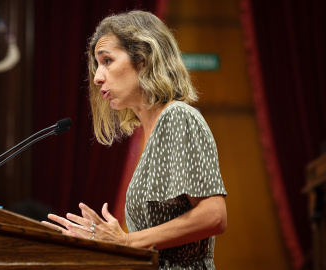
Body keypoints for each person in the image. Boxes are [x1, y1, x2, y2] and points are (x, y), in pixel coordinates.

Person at [42, 10, 227, 270]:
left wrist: (127, 241)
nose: (97, 77)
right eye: (97, 65)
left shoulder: (178, 117)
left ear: (142, 59)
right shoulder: (148, 131)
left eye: (107, 60)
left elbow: (214, 215)